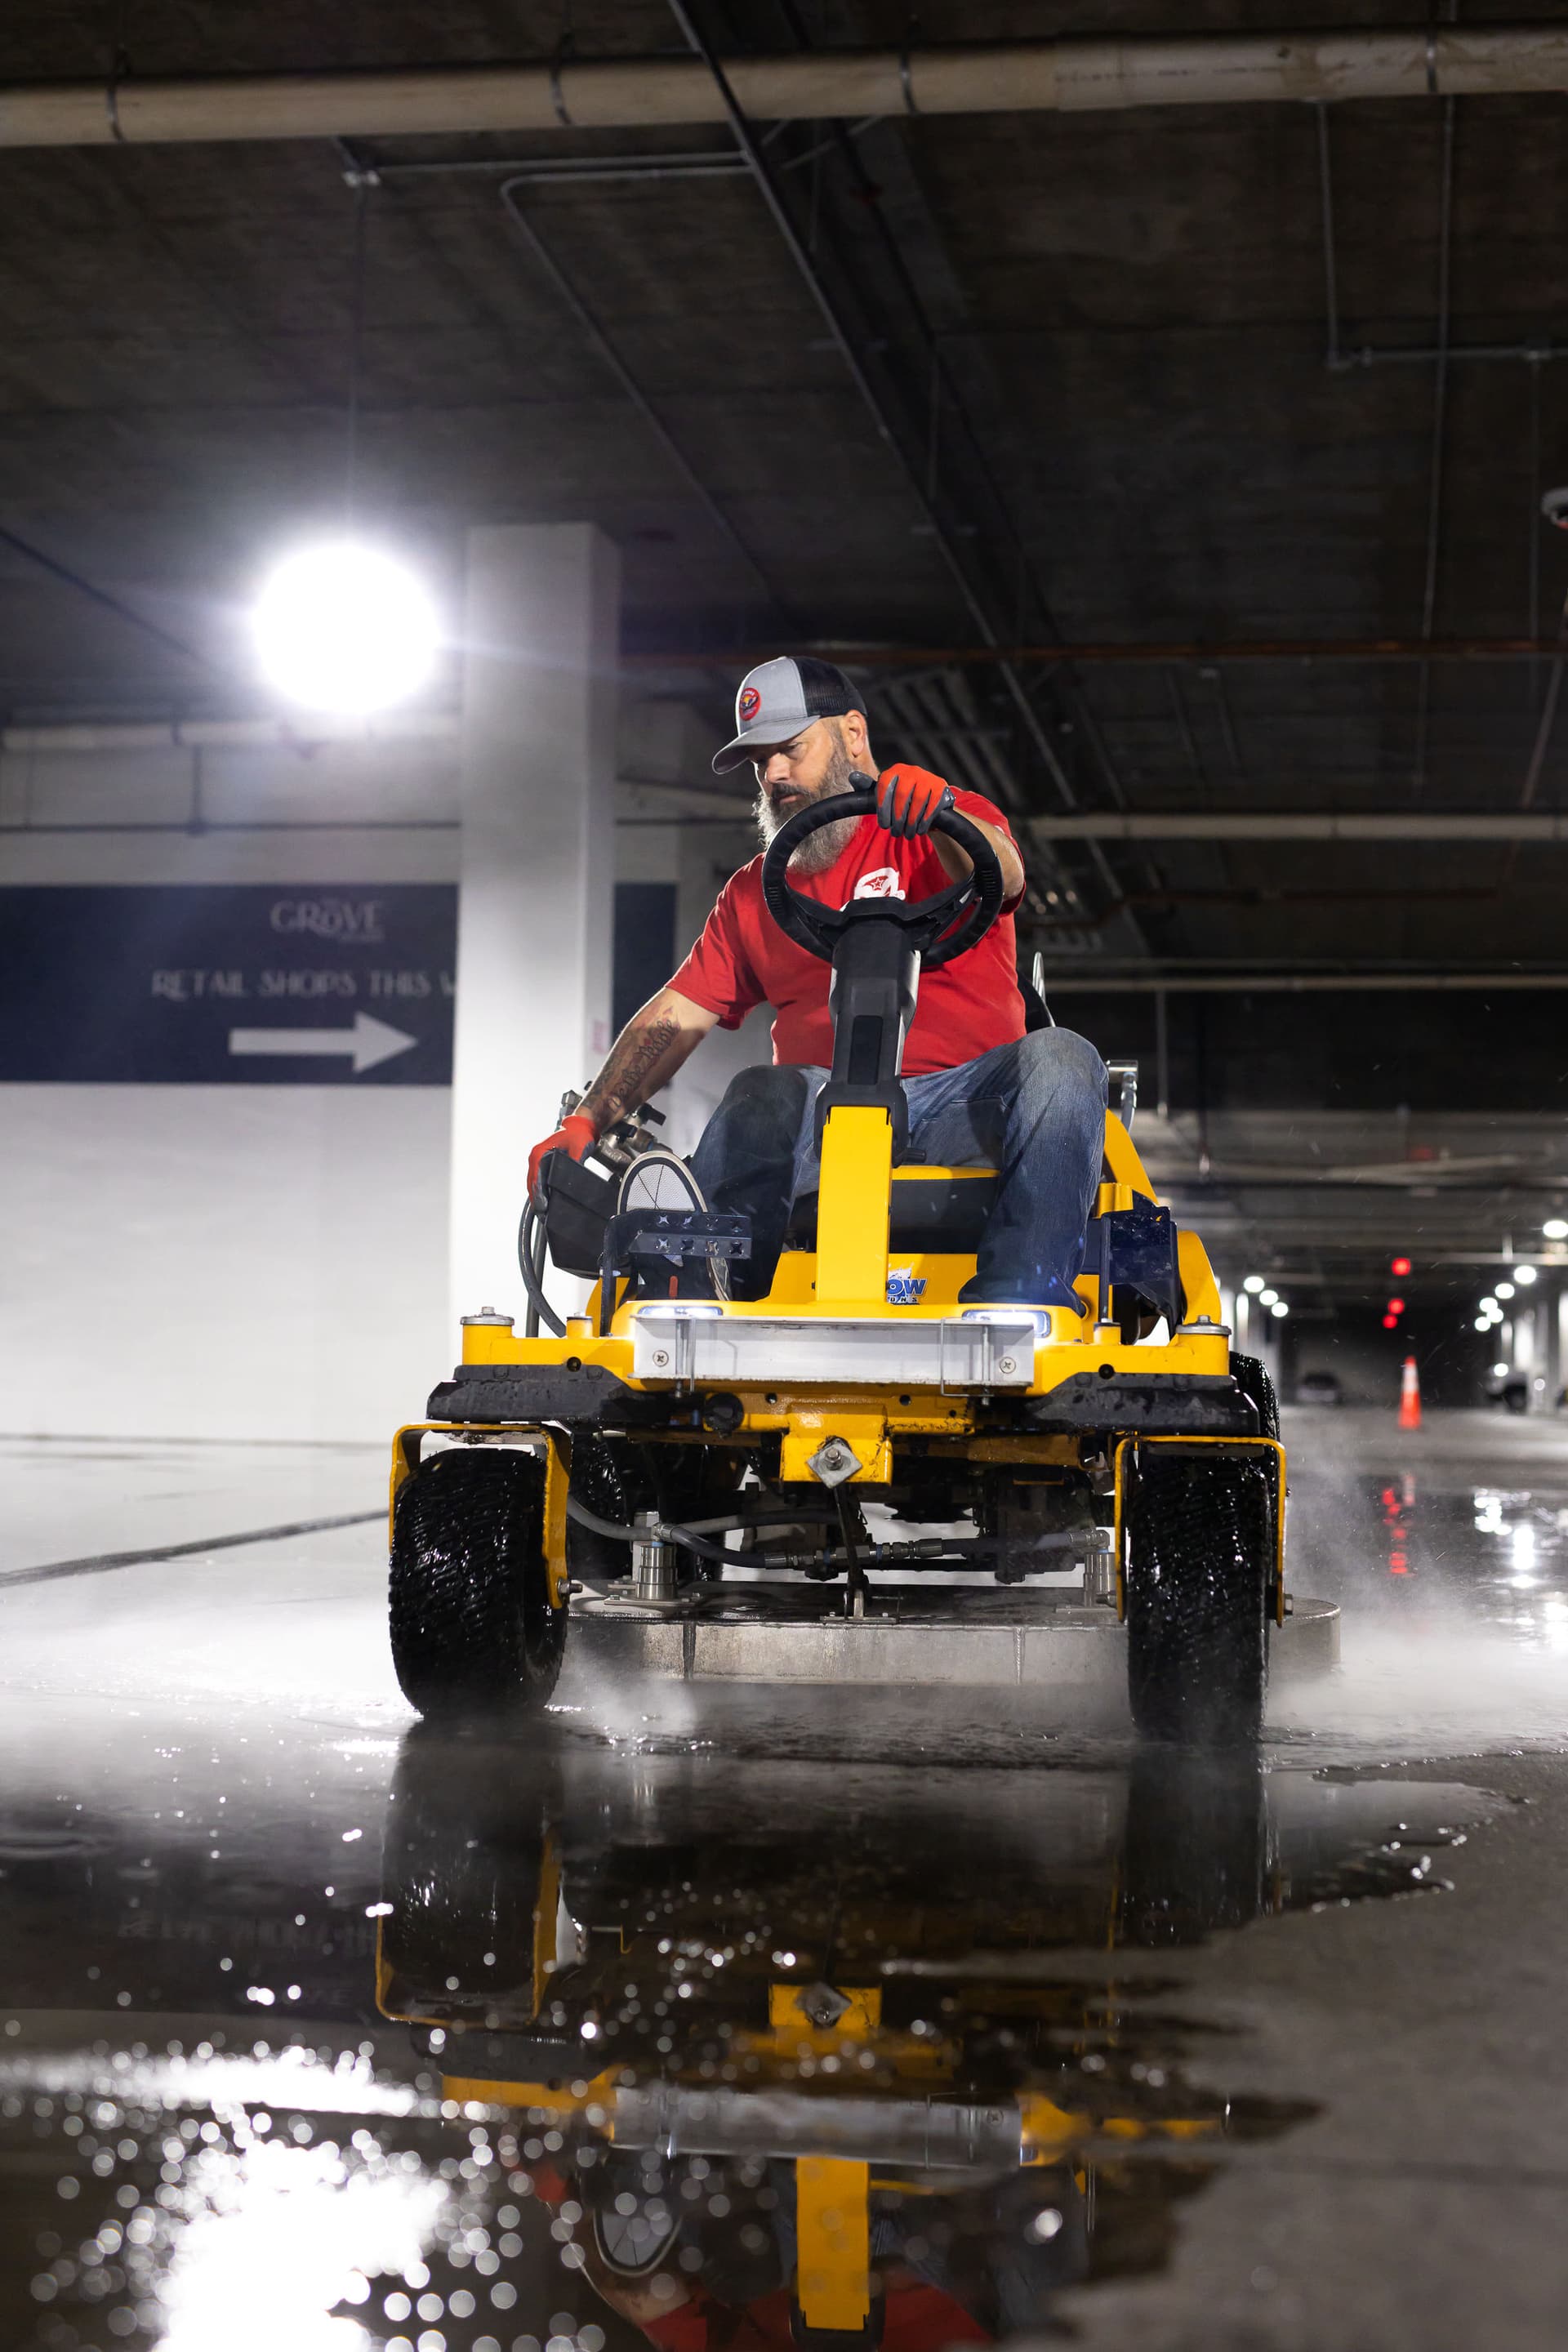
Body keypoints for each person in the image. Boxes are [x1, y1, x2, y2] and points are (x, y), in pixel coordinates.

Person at [527, 656, 1106, 1315]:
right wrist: (586, 1118)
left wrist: (945, 814)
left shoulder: (948, 825)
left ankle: (1019, 1302)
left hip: (970, 1108)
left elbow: (1000, 874)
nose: (774, 774)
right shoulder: (753, 893)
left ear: (853, 734)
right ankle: (707, 1291)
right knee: (762, 1088)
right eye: (760, 761)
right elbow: (677, 1014)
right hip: (822, 1121)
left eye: (790, 750)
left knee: (1064, 1058)